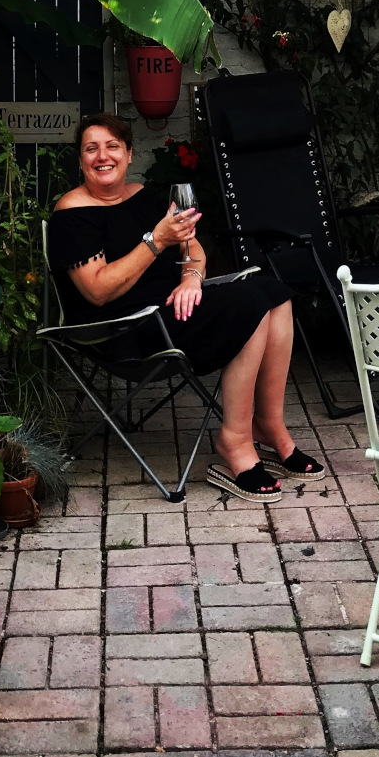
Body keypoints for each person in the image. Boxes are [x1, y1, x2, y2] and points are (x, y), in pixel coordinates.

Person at [47, 113, 325, 502]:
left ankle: (270, 427)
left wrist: (191, 278)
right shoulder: (70, 215)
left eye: (112, 147)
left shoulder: (141, 196)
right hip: (126, 329)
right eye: (91, 149)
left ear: (129, 154)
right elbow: (97, 292)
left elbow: (191, 247)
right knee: (248, 304)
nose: (102, 156)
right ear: (80, 161)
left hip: (171, 310)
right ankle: (235, 442)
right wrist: (155, 242)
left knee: (273, 292)